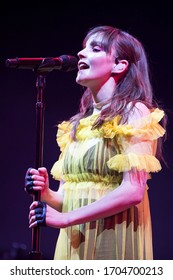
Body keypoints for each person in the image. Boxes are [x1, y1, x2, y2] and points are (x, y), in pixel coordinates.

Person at [25, 25, 167, 260]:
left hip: (113, 240)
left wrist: (66, 219)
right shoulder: (77, 125)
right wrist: (47, 193)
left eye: (95, 48)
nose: (81, 54)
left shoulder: (134, 112)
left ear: (119, 64)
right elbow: (69, 198)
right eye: (83, 48)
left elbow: (133, 190)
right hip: (75, 242)